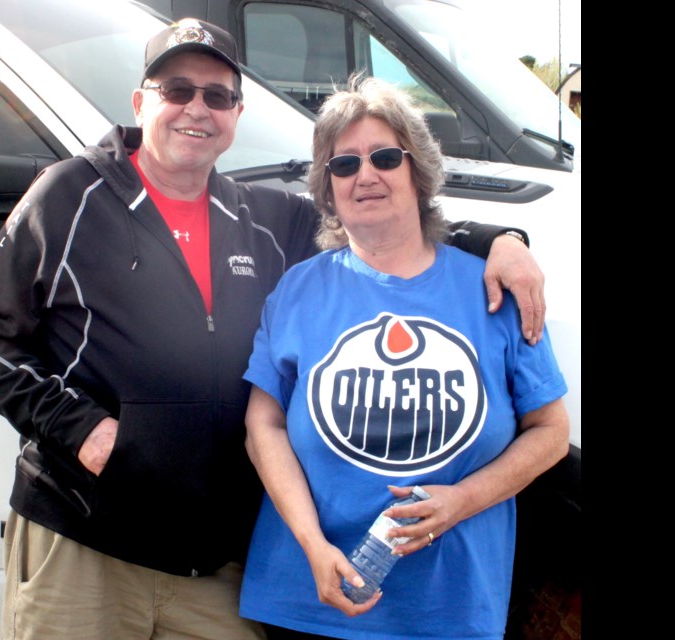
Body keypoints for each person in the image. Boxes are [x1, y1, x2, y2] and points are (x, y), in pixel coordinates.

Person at [0, 18, 550, 640]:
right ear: (140, 102)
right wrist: (86, 430)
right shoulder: (70, 194)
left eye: (216, 95)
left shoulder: (267, 217)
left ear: (236, 111)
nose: (196, 109)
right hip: (86, 537)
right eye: (176, 90)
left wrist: (498, 241)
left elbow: (379, 213)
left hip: (213, 561)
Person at [239, 75, 570, 640]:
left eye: (385, 157)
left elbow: (552, 432)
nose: (365, 175)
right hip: (309, 596)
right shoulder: (296, 290)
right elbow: (261, 423)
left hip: (448, 608)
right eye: (343, 165)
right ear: (327, 187)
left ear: (418, 173)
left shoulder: (493, 288)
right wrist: (313, 544)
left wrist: (462, 501)